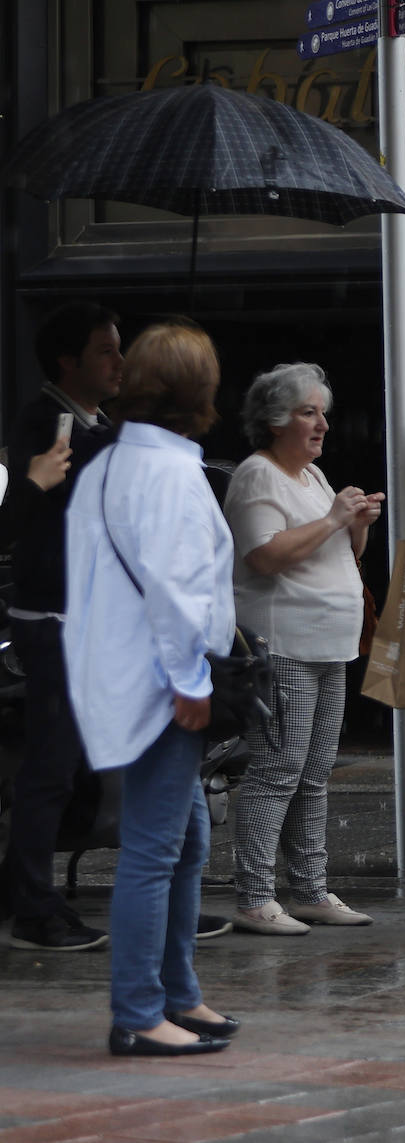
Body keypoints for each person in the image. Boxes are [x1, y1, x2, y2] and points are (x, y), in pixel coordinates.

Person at [63, 319, 237, 1056]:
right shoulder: (167, 474)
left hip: (124, 674)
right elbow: (174, 589)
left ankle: (176, 990)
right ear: (198, 393)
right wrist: (190, 679)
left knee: (184, 836)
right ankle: (140, 1009)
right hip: (163, 685)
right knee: (155, 847)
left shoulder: (107, 466)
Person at [223, 363, 384, 935]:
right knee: (277, 769)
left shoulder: (312, 478)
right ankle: (254, 895)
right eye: (308, 412)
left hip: (328, 644)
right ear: (275, 420)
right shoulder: (257, 476)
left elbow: (342, 553)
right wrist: (336, 517)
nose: (321, 425)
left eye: (323, 414)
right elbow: (263, 556)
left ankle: (310, 889)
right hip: (283, 643)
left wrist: (356, 523)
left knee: (314, 772)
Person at [3, 301, 120, 951]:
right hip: (53, 619)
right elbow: (41, 502)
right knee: (49, 764)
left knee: (76, 765)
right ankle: (30, 905)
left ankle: (38, 891)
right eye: (105, 350)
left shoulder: (98, 421)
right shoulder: (45, 421)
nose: (119, 363)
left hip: (91, 618)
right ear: (66, 361)